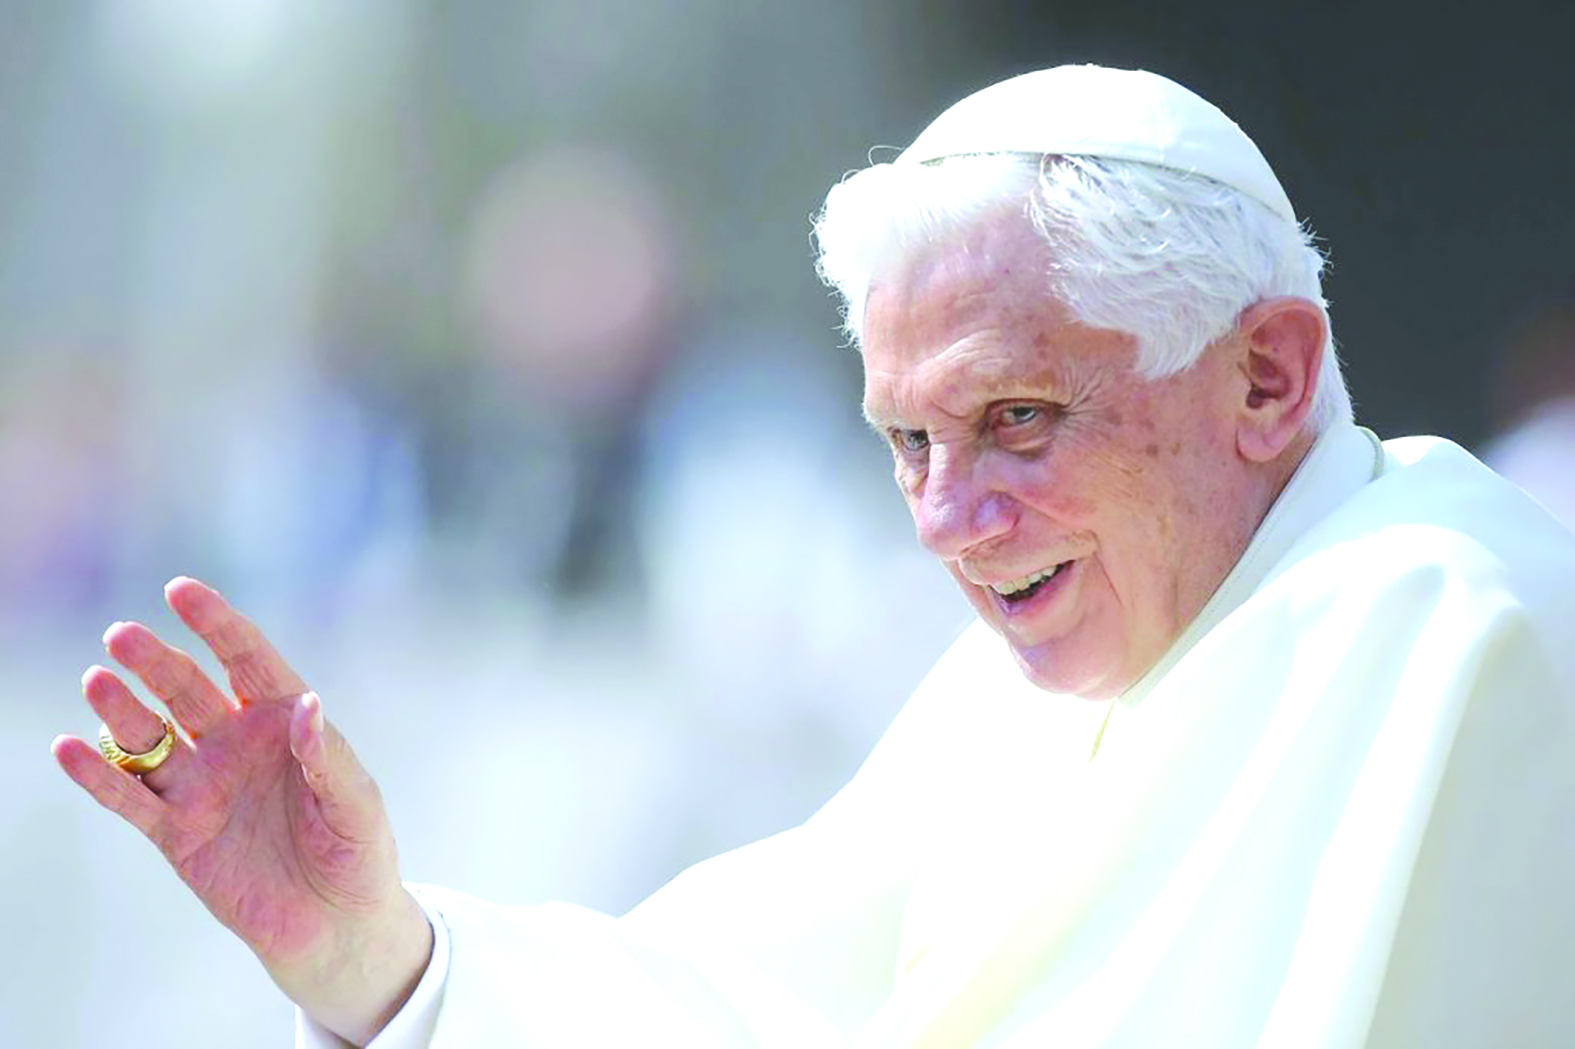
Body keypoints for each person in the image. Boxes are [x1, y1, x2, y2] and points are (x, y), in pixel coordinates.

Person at [53, 65, 1575, 1047]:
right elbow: (736, 1013)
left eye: (1018, 419)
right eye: (907, 443)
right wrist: (368, 951)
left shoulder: (1465, 630)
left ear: (1264, 378)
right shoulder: (1026, 688)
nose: (945, 523)